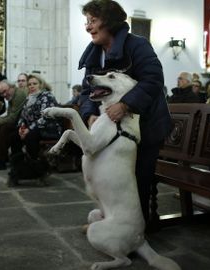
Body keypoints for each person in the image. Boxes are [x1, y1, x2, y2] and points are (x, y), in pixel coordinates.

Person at [78, 0, 172, 224]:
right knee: (116, 179)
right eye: (87, 22)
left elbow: (153, 79)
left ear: (109, 22)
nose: (88, 27)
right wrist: (90, 113)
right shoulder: (94, 55)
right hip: (115, 130)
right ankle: (118, 224)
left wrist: (126, 104)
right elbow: (87, 91)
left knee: (138, 178)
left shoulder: (137, 45)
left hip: (146, 125)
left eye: (93, 21)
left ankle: (140, 229)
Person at [7, 74, 63, 186]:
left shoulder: (46, 96)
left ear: (41, 84)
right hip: (34, 129)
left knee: (31, 136)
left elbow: (46, 117)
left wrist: (29, 129)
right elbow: (23, 116)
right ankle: (18, 168)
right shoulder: (29, 97)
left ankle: (35, 169)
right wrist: (21, 128)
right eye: (29, 84)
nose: (32, 86)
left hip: (49, 128)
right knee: (14, 136)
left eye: (34, 84)